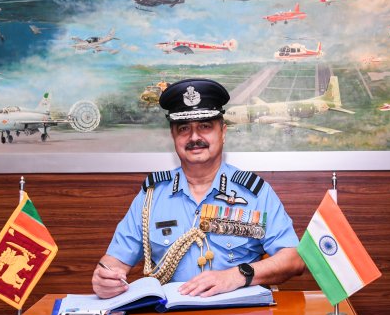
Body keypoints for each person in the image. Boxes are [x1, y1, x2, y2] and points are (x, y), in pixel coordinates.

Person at [93, 78, 305, 299]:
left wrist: (236, 276)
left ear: (223, 132)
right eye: (184, 128)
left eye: (205, 126)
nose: (194, 137)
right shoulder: (152, 196)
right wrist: (104, 279)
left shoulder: (254, 193)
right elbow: (114, 262)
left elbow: (294, 259)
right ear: (173, 136)